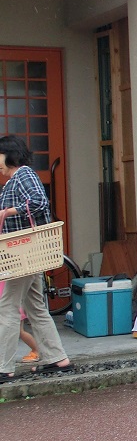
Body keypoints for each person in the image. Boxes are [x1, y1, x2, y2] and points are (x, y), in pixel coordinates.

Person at [0, 135, 73, 381]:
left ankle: (3, 367)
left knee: (7, 308)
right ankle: (57, 359)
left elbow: (40, 202)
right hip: (28, 253)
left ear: (10, 154)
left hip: (23, 253)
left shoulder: (23, 174)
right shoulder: (15, 179)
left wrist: (8, 211)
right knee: (36, 308)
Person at [0, 280, 39, 363]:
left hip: (10, 309)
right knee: (19, 332)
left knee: (20, 332)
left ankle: (36, 350)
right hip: (11, 307)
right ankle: (36, 350)